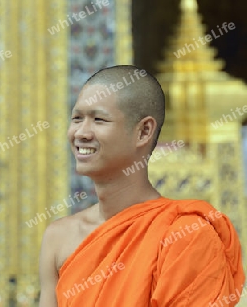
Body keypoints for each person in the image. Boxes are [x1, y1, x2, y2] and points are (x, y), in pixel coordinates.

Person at [39, 65, 245, 306]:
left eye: (98, 119)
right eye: (76, 118)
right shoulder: (59, 236)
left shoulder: (187, 233)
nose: (81, 133)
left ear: (144, 131)